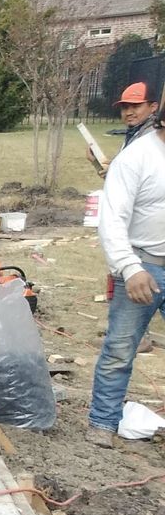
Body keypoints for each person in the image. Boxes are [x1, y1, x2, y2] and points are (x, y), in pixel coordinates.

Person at [88, 97, 165, 445]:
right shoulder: (136, 158)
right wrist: (130, 269)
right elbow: (112, 221)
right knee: (120, 348)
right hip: (142, 265)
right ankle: (103, 422)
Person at [114, 81, 159, 148]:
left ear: (153, 107)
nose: (128, 113)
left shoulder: (154, 136)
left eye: (136, 106)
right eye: (125, 107)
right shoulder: (135, 131)